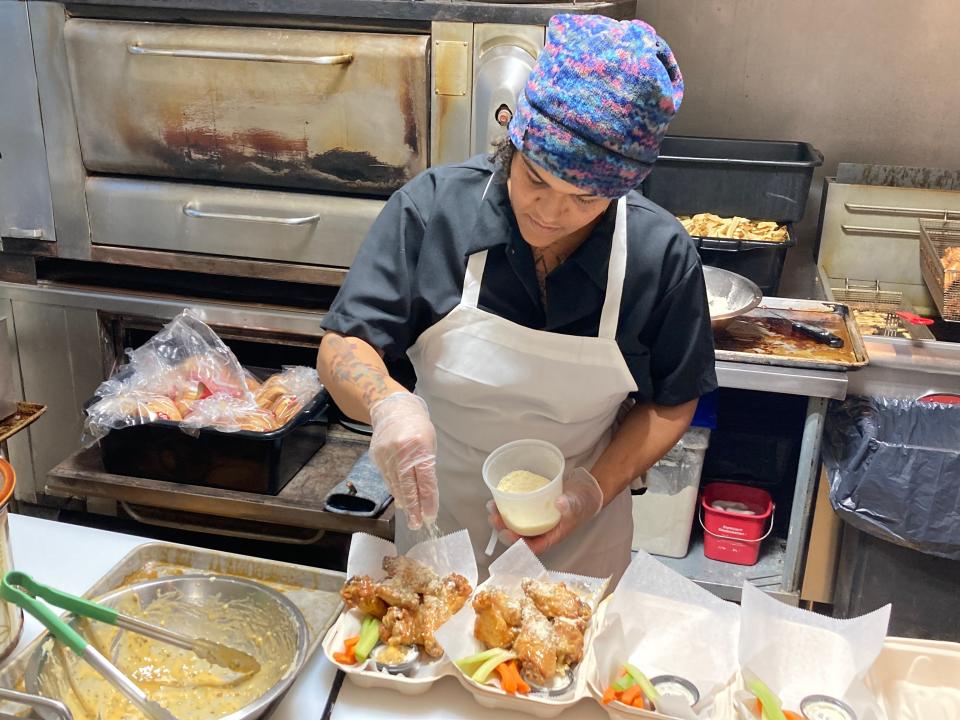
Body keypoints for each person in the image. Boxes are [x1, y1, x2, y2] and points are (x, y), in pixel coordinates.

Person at [317, 14, 717, 581]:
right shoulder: (434, 211)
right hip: (436, 538)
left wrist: (588, 493)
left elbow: (673, 401)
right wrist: (386, 402)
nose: (550, 215)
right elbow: (342, 346)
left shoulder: (659, 255)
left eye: (584, 199)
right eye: (536, 178)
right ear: (515, 140)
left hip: (580, 552)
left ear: (624, 187)